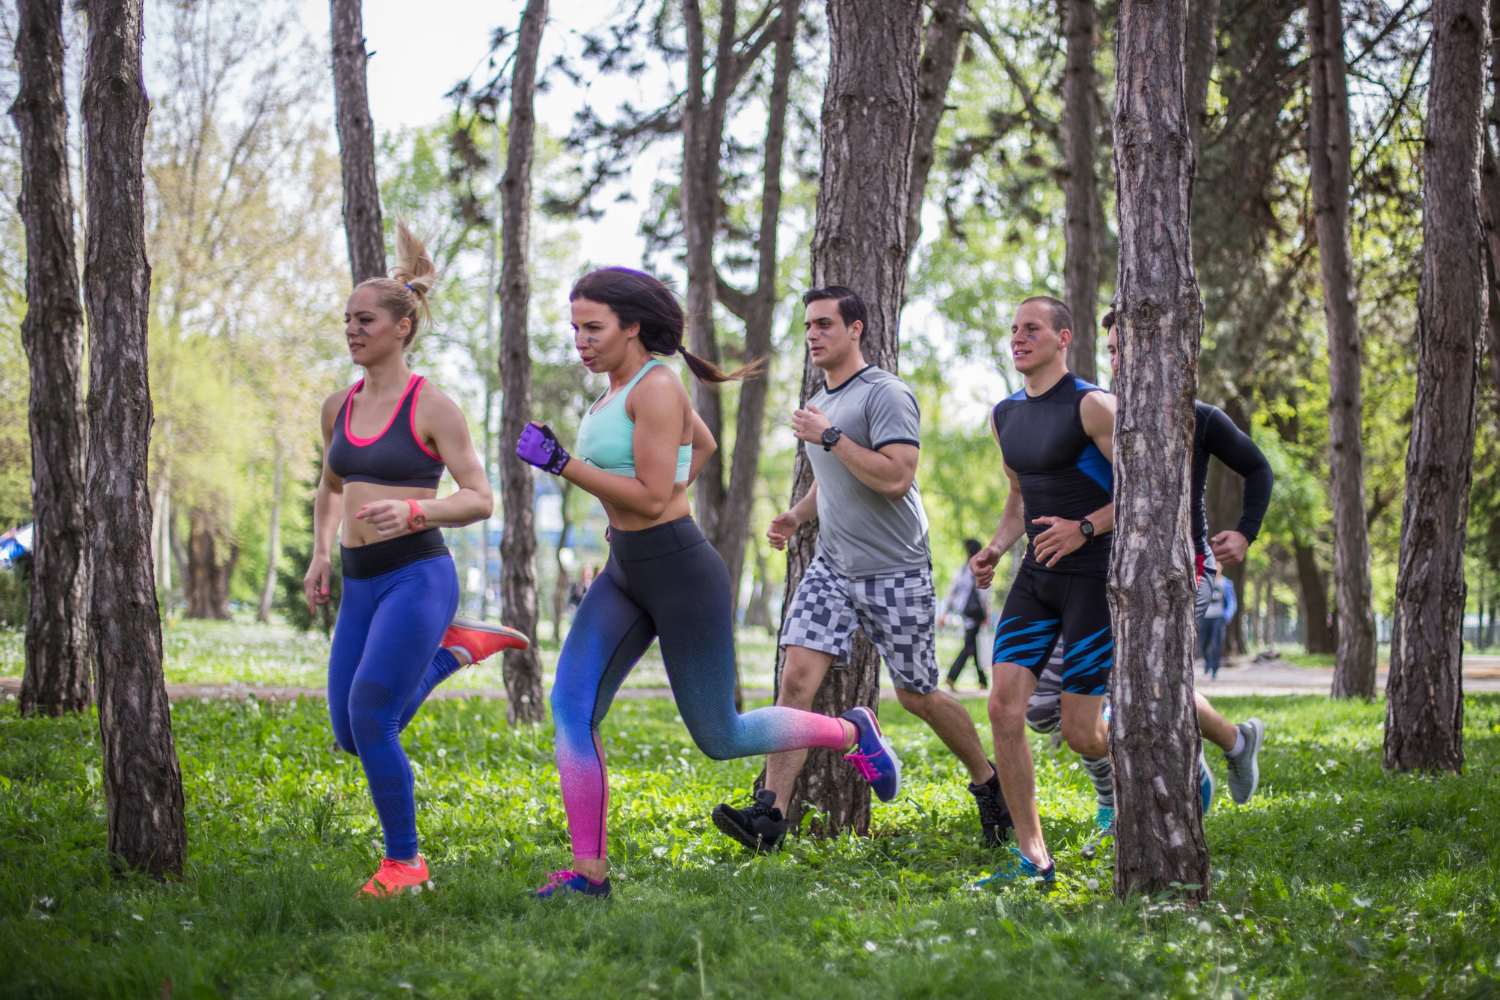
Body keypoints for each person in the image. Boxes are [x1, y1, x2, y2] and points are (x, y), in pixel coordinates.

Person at [514, 268, 900, 899]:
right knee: (571, 710)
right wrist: (653, 506)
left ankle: (851, 731)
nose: (580, 341)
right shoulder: (609, 394)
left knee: (721, 736)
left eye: (593, 327)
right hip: (625, 568)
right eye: (575, 328)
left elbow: (650, 491)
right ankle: (589, 875)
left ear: (632, 327)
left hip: (681, 574)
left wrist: (567, 465)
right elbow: (706, 445)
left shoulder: (657, 387)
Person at [711, 287, 1011, 856]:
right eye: (807, 327)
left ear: (856, 329)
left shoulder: (885, 395)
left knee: (920, 695)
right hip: (833, 567)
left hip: (895, 569)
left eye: (825, 324)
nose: (813, 335)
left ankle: (988, 783)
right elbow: (832, 477)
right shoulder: (820, 397)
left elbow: (895, 475)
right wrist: (797, 517)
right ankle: (769, 813)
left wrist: (829, 436)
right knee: (795, 679)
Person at [304, 223, 530, 898]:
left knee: (373, 716)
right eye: (347, 319)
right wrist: (321, 553)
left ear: (402, 327)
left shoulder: (432, 406)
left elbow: (481, 498)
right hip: (359, 581)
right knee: (351, 732)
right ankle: (452, 655)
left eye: (364, 319)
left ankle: (405, 864)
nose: (352, 329)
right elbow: (330, 487)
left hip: (416, 575)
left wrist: (416, 511)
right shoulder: (336, 406)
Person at [1024, 310, 1272, 859]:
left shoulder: (1199, 417)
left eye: (1127, 348)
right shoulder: (1095, 414)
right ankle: (1234, 739)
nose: (1118, 359)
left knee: (1136, 684)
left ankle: (1126, 802)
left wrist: (1246, 533)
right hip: (1101, 572)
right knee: (1044, 705)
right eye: (1111, 349)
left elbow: (1258, 469)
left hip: (1185, 570)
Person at [968, 295, 1117, 889]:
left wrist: (1085, 528)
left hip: (1095, 579)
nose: (1018, 338)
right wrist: (997, 548)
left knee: (1081, 732)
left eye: (1032, 328)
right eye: (1013, 329)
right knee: (1004, 707)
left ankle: (1137, 787)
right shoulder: (1004, 415)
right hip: (1036, 576)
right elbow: (1020, 498)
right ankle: (1034, 857)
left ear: (1064, 338)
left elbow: (1151, 488)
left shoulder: (1095, 406)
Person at [943, 539, 990, 691]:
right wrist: (986, 614)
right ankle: (951, 676)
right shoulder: (978, 569)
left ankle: (982, 681)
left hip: (966, 613)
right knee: (969, 647)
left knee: (972, 646)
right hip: (974, 614)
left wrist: (945, 612)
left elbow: (952, 593)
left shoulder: (963, 570)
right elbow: (984, 594)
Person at [1199, 575, 1237, 680]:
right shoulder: (1202, 581)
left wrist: (1227, 615)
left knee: (1217, 643)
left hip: (1219, 617)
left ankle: (1214, 670)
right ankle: (1207, 663)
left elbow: (1232, 601)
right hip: (1205, 616)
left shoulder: (1226, 583)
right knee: (1203, 643)